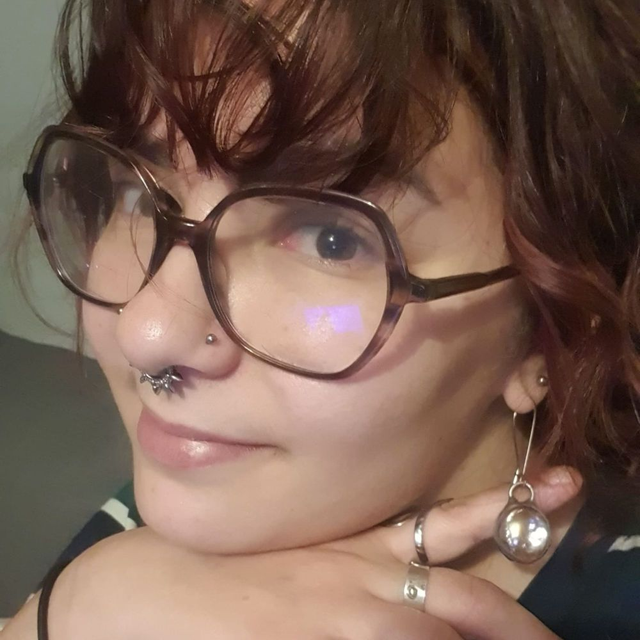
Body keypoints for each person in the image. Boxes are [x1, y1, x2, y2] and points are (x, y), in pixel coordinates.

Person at [3, 0, 639, 638]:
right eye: (139, 195)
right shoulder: (200, 498)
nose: (147, 335)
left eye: (330, 239)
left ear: (558, 322)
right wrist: (76, 609)